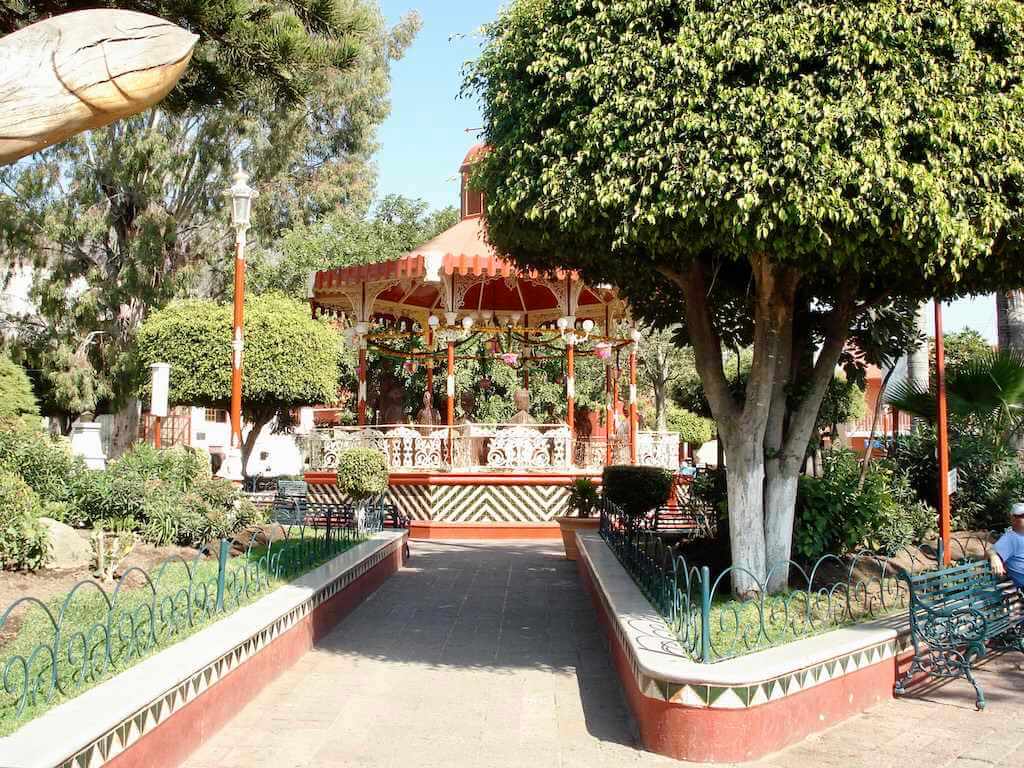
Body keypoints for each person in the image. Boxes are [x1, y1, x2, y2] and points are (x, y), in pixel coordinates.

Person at [988, 502, 1024, 588]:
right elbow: (991, 550)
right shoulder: (1010, 537)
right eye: (1023, 515)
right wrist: (994, 556)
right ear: (1013, 519)